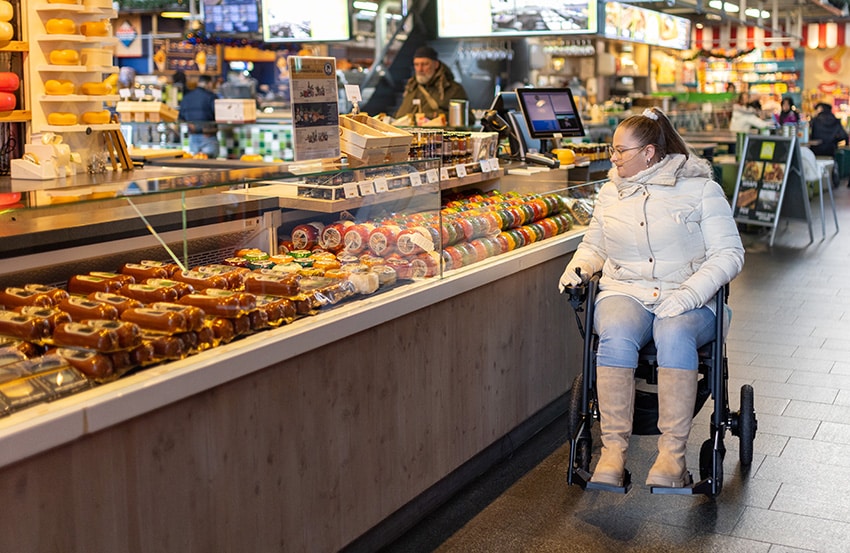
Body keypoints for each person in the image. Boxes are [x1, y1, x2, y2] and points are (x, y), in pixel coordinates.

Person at [558, 107, 745, 490]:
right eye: (612, 150)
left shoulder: (700, 189)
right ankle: (612, 453)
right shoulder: (611, 192)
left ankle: (671, 457)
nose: (613, 158)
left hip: (689, 296)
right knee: (615, 331)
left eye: (620, 151)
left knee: (674, 333)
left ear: (649, 153)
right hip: (627, 291)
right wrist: (578, 268)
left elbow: (729, 253)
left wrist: (691, 293)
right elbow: (594, 244)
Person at [394, 45, 467, 121]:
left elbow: (467, 118)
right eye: (416, 64)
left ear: (436, 65)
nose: (420, 69)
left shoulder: (453, 89)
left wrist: (437, 117)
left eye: (425, 64)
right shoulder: (412, 88)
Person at [179, 75, 219, 157]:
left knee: (195, 164)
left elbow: (181, 116)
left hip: (192, 136)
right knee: (212, 165)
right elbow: (219, 115)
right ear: (209, 83)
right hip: (208, 136)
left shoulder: (187, 97)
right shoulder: (211, 96)